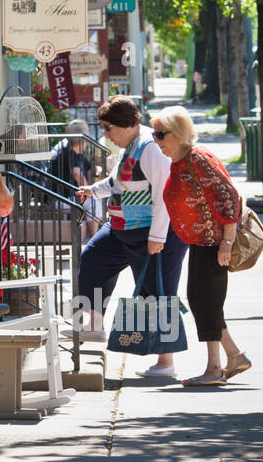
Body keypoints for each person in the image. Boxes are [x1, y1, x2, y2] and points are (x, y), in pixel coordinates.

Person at [75, 95, 187, 374]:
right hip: (120, 229)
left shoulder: (150, 148)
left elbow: (163, 195)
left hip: (150, 232)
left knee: (157, 291)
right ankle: (92, 326)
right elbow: (118, 181)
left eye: (107, 128)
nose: (105, 134)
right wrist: (93, 190)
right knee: (91, 260)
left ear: (124, 125)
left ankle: (166, 362)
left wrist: (158, 238)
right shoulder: (131, 146)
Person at [151, 106, 250, 386]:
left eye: (161, 134)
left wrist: (226, 243)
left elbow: (229, 197)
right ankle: (233, 356)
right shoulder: (181, 160)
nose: (157, 141)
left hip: (213, 242)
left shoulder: (197, 158)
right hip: (200, 241)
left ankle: (215, 368)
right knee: (202, 301)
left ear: (179, 132)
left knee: (206, 302)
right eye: (155, 134)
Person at [48, 120, 100, 239]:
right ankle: (94, 237)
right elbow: (77, 173)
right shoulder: (68, 154)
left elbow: (90, 169)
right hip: (61, 198)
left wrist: (97, 170)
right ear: (83, 139)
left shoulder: (79, 155)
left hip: (71, 197)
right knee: (94, 203)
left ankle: (91, 237)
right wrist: (89, 192)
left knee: (95, 202)